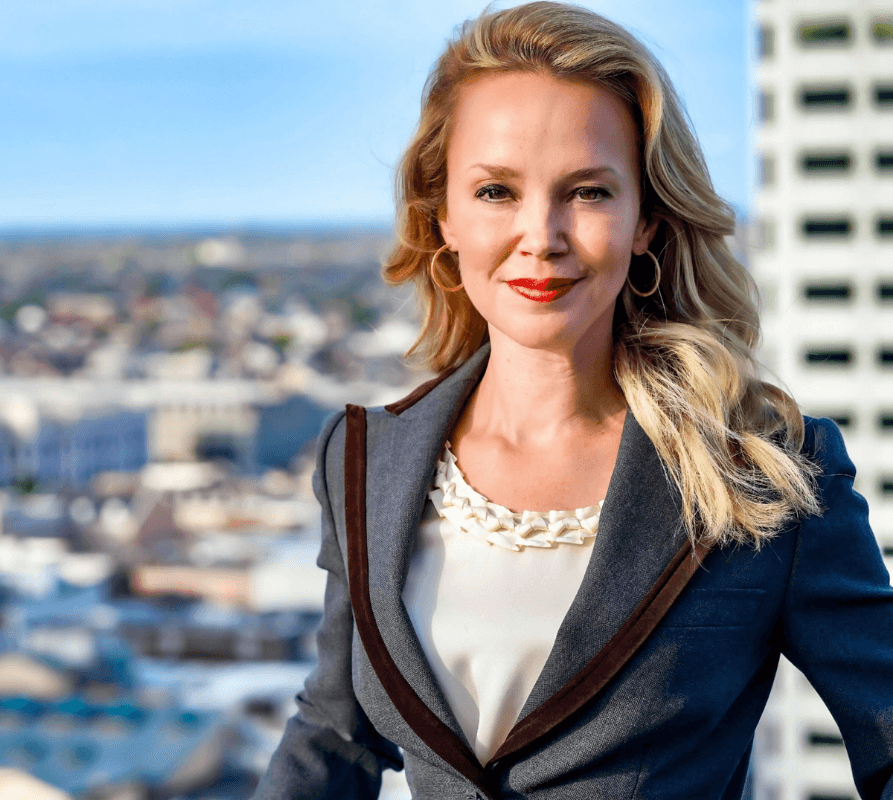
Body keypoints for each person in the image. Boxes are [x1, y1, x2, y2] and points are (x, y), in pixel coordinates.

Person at [253, 3, 893, 799]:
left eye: (587, 192)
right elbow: (335, 739)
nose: (541, 235)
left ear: (645, 220)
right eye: (496, 190)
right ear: (442, 215)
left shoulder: (764, 471)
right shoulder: (363, 462)